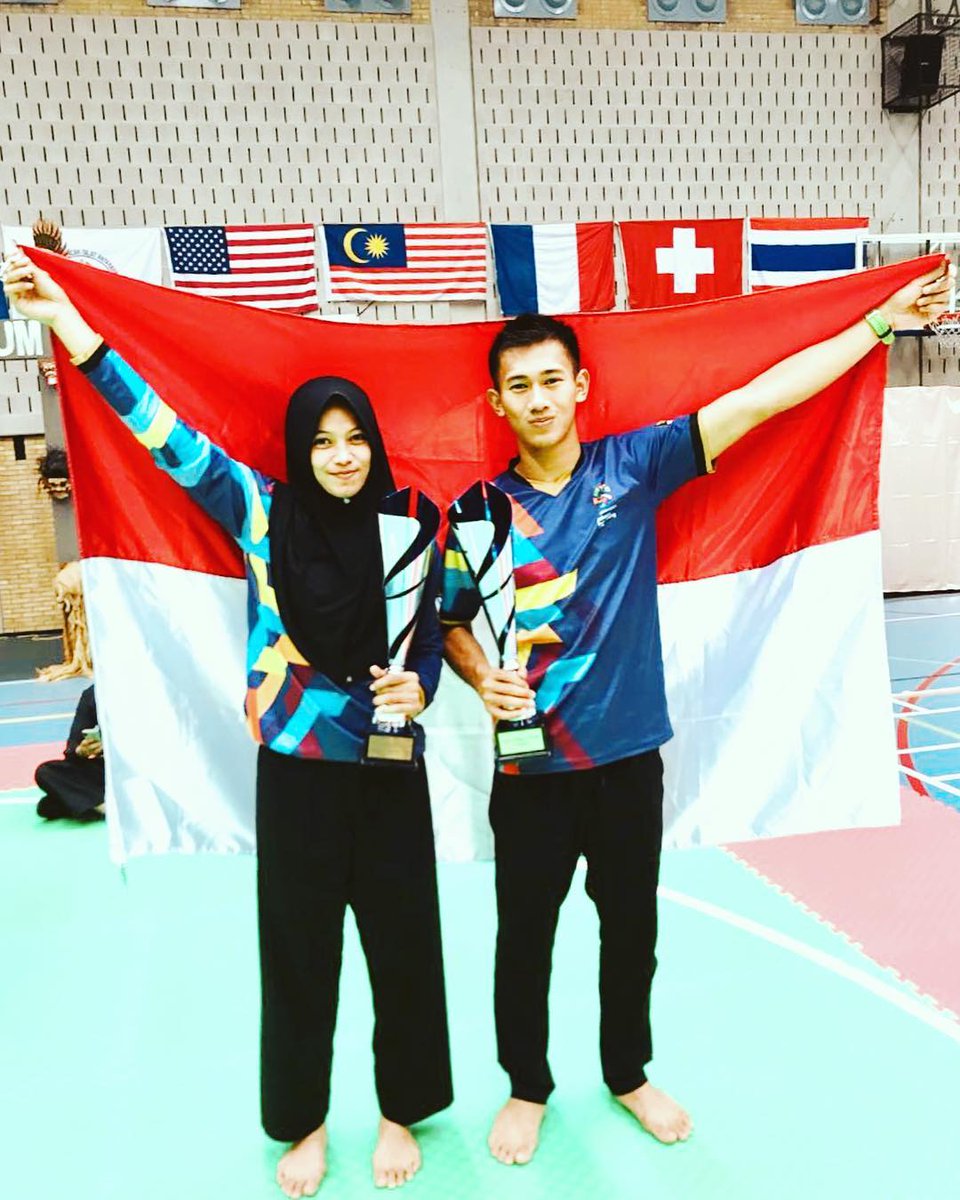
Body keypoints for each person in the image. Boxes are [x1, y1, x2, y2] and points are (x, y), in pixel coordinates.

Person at [440, 260, 955, 1166]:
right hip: (529, 771)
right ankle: (527, 1085)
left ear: (580, 387)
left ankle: (628, 1071)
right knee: (524, 936)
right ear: (496, 403)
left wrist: (878, 324)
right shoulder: (477, 511)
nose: (537, 397)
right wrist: (482, 679)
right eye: (517, 386)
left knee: (629, 925)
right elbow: (448, 623)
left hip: (630, 756)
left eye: (551, 380)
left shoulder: (632, 464)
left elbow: (760, 399)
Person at [2, 250, 453, 1198]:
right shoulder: (259, 510)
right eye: (323, 438)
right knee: (299, 952)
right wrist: (71, 329)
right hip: (296, 775)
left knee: (406, 943)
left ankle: (401, 1110)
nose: (341, 453)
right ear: (301, 445)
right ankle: (306, 1122)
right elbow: (160, 431)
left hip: (388, 773)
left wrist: (422, 692)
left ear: (375, 441)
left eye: (355, 437)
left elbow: (430, 637)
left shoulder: (416, 519)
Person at [35, 683, 105, 822]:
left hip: (137, 768)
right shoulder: (91, 695)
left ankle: (99, 806)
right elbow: (72, 748)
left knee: (52, 805)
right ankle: (103, 805)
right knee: (46, 772)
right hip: (105, 769)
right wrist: (81, 750)